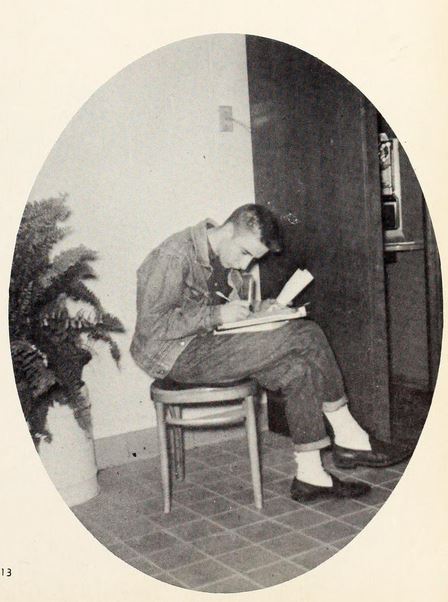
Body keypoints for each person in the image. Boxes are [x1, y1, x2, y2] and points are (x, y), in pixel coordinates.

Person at [130, 204, 408, 502]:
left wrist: (264, 310)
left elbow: (231, 313)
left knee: (299, 366)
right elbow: (152, 325)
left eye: (252, 258)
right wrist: (216, 315)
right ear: (227, 230)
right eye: (245, 253)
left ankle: (310, 476)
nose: (245, 264)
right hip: (175, 356)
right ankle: (349, 435)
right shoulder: (174, 254)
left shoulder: (224, 256)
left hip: (208, 344)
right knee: (308, 334)